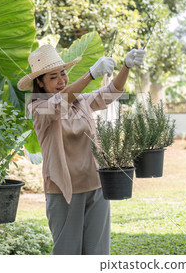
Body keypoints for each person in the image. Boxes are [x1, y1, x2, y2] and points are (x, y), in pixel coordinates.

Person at [17, 44, 145, 255]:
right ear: (39, 82)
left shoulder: (81, 102)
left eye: (63, 74)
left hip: (96, 186)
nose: (61, 81)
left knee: (98, 252)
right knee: (68, 254)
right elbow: (59, 103)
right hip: (64, 191)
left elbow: (110, 92)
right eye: (52, 77)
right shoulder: (38, 107)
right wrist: (91, 74)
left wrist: (126, 66)